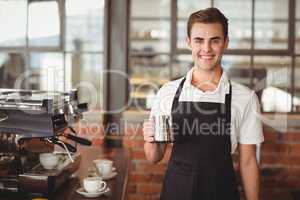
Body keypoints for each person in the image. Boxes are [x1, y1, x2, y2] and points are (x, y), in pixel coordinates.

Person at [143, 7, 264, 200]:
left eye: (214, 40)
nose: (206, 49)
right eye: (199, 40)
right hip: (177, 192)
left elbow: (248, 162)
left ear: (225, 43)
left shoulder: (245, 98)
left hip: (222, 192)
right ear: (189, 43)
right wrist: (151, 140)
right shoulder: (168, 92)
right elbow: (153, 156)